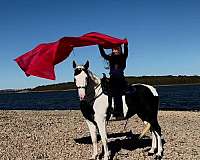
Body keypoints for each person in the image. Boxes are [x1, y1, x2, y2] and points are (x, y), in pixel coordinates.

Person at [98, 41, 128, 119]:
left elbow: (126, 52)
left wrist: (125, 44)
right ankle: (108, 111)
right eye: (113, 49)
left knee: (117, 93)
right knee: (107, 92)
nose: (115, 50)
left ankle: (119, 113)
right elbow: (103, 54)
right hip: (112, 78)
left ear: (119, 50)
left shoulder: (123, 56)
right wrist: (100, 45)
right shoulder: (110, 57)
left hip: (120, 78)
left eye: (116, 49)